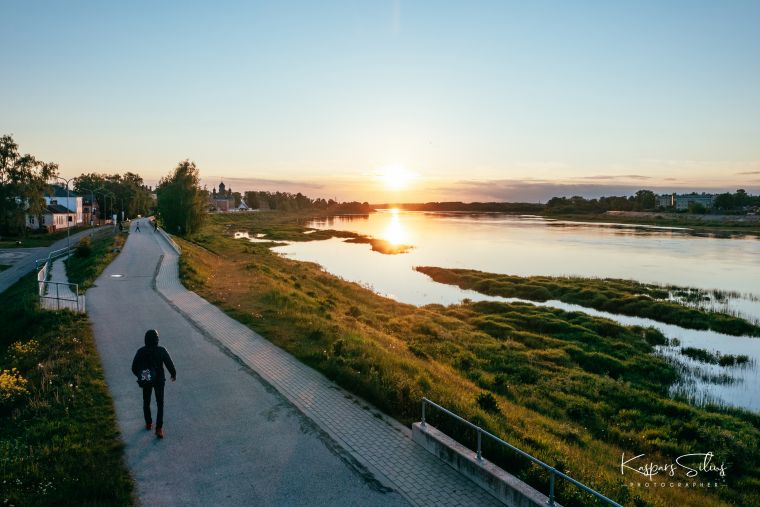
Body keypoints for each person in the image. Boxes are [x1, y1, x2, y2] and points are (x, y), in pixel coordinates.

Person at [131, 329, 176, 439]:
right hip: (159, 380)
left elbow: (134, 367)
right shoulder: (161, 350)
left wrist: (140, 375)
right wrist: (173, 374)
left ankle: (148, 423)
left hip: (147, 379)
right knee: (160, 403)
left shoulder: (141, 351)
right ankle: (159, 429)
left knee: (146, 401)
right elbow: (169, 363)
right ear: (157, 339)